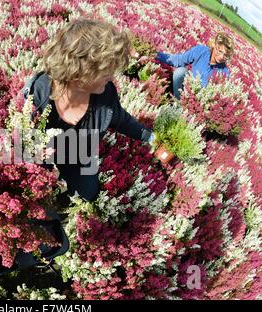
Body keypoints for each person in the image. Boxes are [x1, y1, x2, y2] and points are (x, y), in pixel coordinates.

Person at [23, 19, 155, 204]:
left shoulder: (106, 94)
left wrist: (150, 137)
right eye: (106, 69)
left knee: (88, 195)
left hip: (80, 157)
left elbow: (121, 119)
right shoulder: (38, 93)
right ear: (81, 70)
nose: (111, 76)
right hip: (39, 162)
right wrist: (36, 155)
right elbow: (15, 143)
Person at [154, 32, 234, 99]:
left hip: (201, 99)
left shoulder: (224, 72)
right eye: (219, 51)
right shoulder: (201, 50)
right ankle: (177, 101)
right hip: (187, 87)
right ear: (214, 46)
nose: (221, 57)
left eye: (225, 55)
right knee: (180, 72)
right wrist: (155, 54)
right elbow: (178, 60)